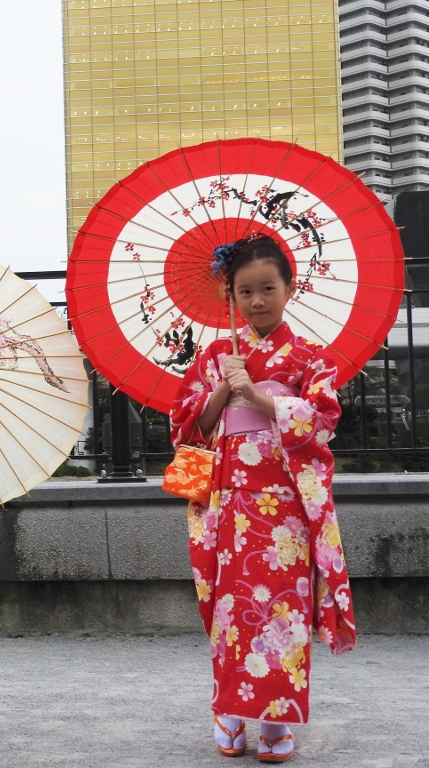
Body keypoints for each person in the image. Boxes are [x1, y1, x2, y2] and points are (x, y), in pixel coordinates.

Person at [169, 235, 357, 764]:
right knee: (229, 610)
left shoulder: (309, 358)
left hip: (286, 509)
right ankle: (229, 710)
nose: (257, 301)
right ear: (229, 297)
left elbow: (322, 423)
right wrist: (222, 392)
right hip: (228, 502)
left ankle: (278, 718)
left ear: (289, 288)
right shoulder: (214, 356)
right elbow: (187, 431)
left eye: (268, 288)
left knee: (283, 611)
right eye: (245, 291)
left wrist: (257, 395)